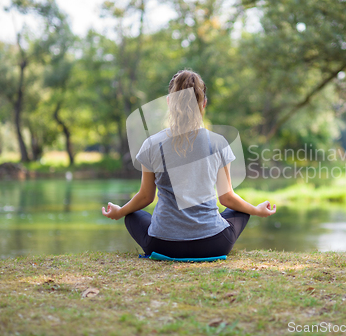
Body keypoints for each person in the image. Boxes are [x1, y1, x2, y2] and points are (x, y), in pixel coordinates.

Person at [101, 69, 276, 258]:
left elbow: (145, 197)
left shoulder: (151, 144)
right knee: (240, 211)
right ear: (204, 104)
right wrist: (256, 210)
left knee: (132, 215)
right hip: (214, 244)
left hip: (162, 245)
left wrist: (120, 211)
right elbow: (227, 198)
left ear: (169, 102)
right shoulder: (219, 143)